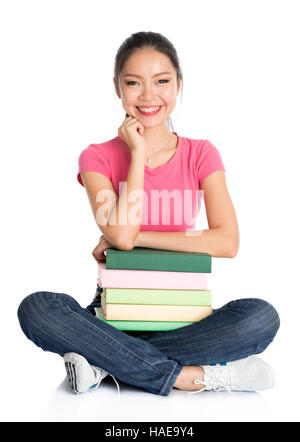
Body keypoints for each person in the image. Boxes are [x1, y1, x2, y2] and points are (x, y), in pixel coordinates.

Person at [17, 31, 280, 396]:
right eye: (133, 83)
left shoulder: (201, 153)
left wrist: (136, 237)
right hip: (113, 315)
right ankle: (192, 377)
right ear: (117, 87)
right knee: (38, 308)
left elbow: (227, 241)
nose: (148, 95)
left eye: (161, 81)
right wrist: (137, 154)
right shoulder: (97, 157)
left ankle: (102, 365)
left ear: (178, 85)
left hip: (184, 315)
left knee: (261, 317)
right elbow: (121, 237)